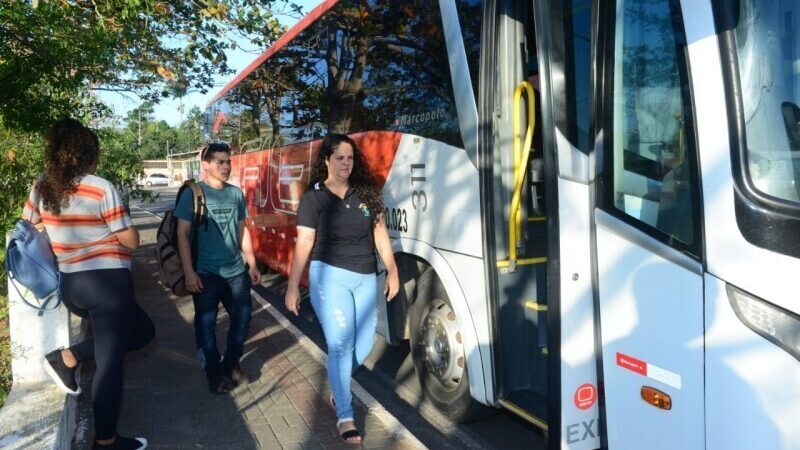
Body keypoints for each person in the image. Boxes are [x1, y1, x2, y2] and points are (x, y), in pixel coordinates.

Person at [30, 118, 155, 450]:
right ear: (87, 152)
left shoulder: (43, 186)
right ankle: (106, 442)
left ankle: (68, 357)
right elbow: (130, 241)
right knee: (110, 366)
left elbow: (29, 226)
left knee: (143, 331)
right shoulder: (101, 187)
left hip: (72, 286)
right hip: (107, 285)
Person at [284, 133, 399, 445]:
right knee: (339, 346)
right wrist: (294, 286)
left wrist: (392, 270)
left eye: (350, 158)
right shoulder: (314, 197)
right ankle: (345, 416)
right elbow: (304, 242)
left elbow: (380, 234)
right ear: (326, 160)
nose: (346, 163)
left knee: (362, 345)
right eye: (339, 158)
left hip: (365, 276)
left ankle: (338, 387)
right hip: (329, 275)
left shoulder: (365, 193)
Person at [175, 143, 260, 394]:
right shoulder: (194, 193)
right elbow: (182, 234)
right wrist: (189, 272)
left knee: (242, 318)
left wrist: (252, 263)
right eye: (219, 162)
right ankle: (213, 371)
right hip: (205, 273)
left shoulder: (235, 194)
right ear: (206, 165)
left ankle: (231, 363)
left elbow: (242, 230)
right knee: (206, 324)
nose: (225, 167)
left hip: (235, 271)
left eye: (228, 162)